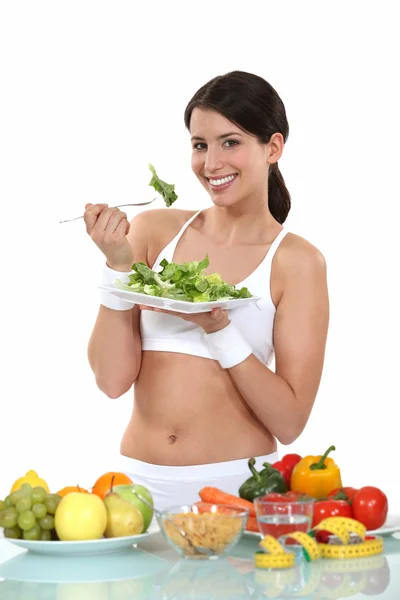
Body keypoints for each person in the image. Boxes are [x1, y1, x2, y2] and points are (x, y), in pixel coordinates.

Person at [84, 70, 329, 509]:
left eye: (230, 142)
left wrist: (218, 328)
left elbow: (290, 422)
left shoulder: (296, 262)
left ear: (272, 147)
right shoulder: (153, 231)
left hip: (236, 490)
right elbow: (111, 381)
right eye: (200, 145)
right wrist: (117, 269)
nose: (211, 163)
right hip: (133, 489)